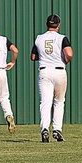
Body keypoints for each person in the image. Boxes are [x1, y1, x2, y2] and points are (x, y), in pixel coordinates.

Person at [31, 14, 73, 143]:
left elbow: (33, 57)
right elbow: (69, 54)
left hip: (44, 71)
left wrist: (45, 57)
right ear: (58, 25)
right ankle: (57, 130)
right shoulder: (62, 38)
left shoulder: (39, 38)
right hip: (59, 70)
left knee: (45, 102)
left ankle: (44, 128)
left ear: (47, 25)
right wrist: (65, 60)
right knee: (59, 102)